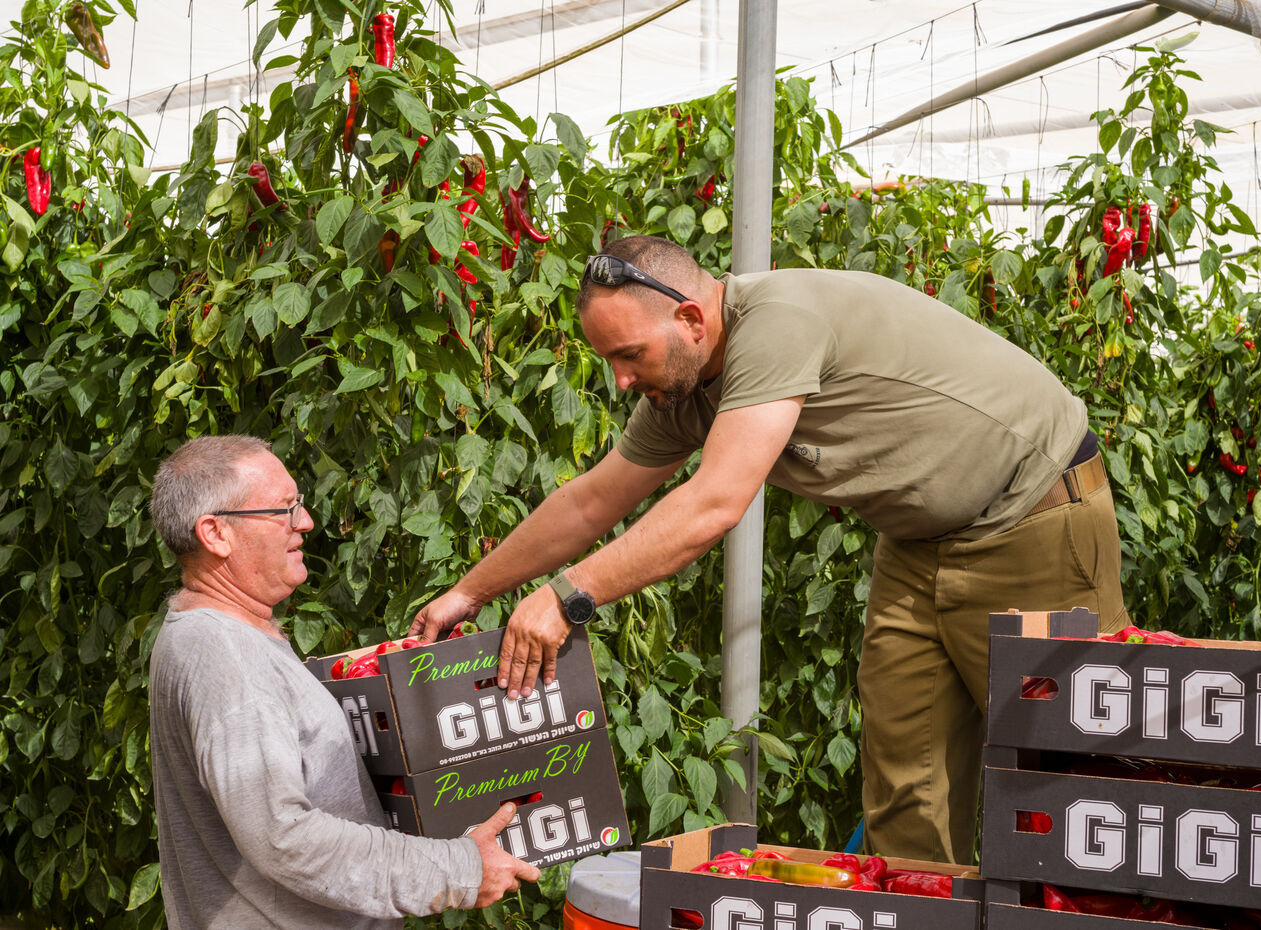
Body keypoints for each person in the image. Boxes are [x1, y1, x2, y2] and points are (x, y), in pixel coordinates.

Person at [411, 234, 1129, 864]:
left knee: (1068, 780)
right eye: (611, 362)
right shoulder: (681, 387)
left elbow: (715, 504)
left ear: (692, 319)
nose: (622, 380)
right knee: (907, 790)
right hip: (917, 545)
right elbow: (591, 501)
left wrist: (568, 597)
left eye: (629, 356)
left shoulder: (777, 323)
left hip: (1036, 515)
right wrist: (468, 593)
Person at [147, 435, 539, 929]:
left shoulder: (223, 635)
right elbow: (282, 837)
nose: (305, 522)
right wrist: (457, 869)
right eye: (284, 509)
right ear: (216, 533)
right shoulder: (225, 655)